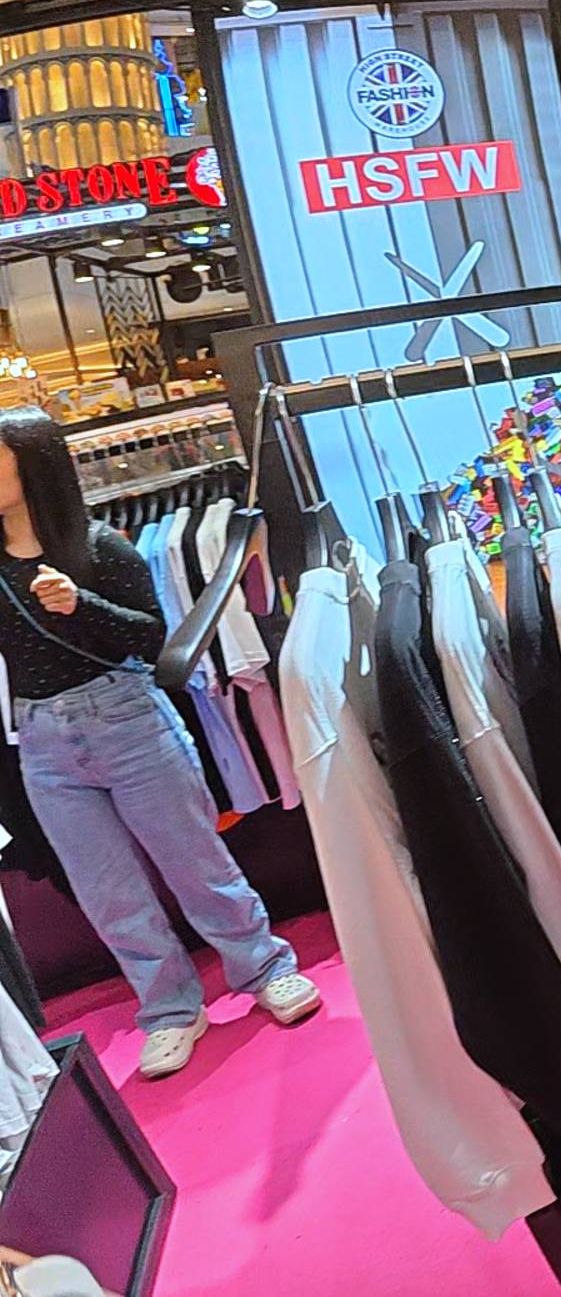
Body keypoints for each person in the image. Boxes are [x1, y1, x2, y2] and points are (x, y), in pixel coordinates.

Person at [0, 409, 316, 1079]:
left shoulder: (99, 547)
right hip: (44, 741)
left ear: (35, 463)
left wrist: (81, 604)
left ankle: (264, 968)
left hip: (128, 719)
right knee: (108, 893)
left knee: (196, 863)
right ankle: (170, 1009)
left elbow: (152, 640)